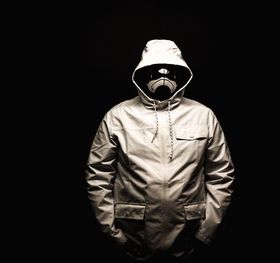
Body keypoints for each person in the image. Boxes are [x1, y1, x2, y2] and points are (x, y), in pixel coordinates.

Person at [85, 39, 235, 262]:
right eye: (154, 71)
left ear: (181, 74)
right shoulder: (118, 117)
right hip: (132, 235)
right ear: (142, 74)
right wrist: (115, 236)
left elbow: (221, 176)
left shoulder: (203, 116)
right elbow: (98, 176)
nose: (162, 78)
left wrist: (205, 233)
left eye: (170, 71)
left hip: (188, 235)